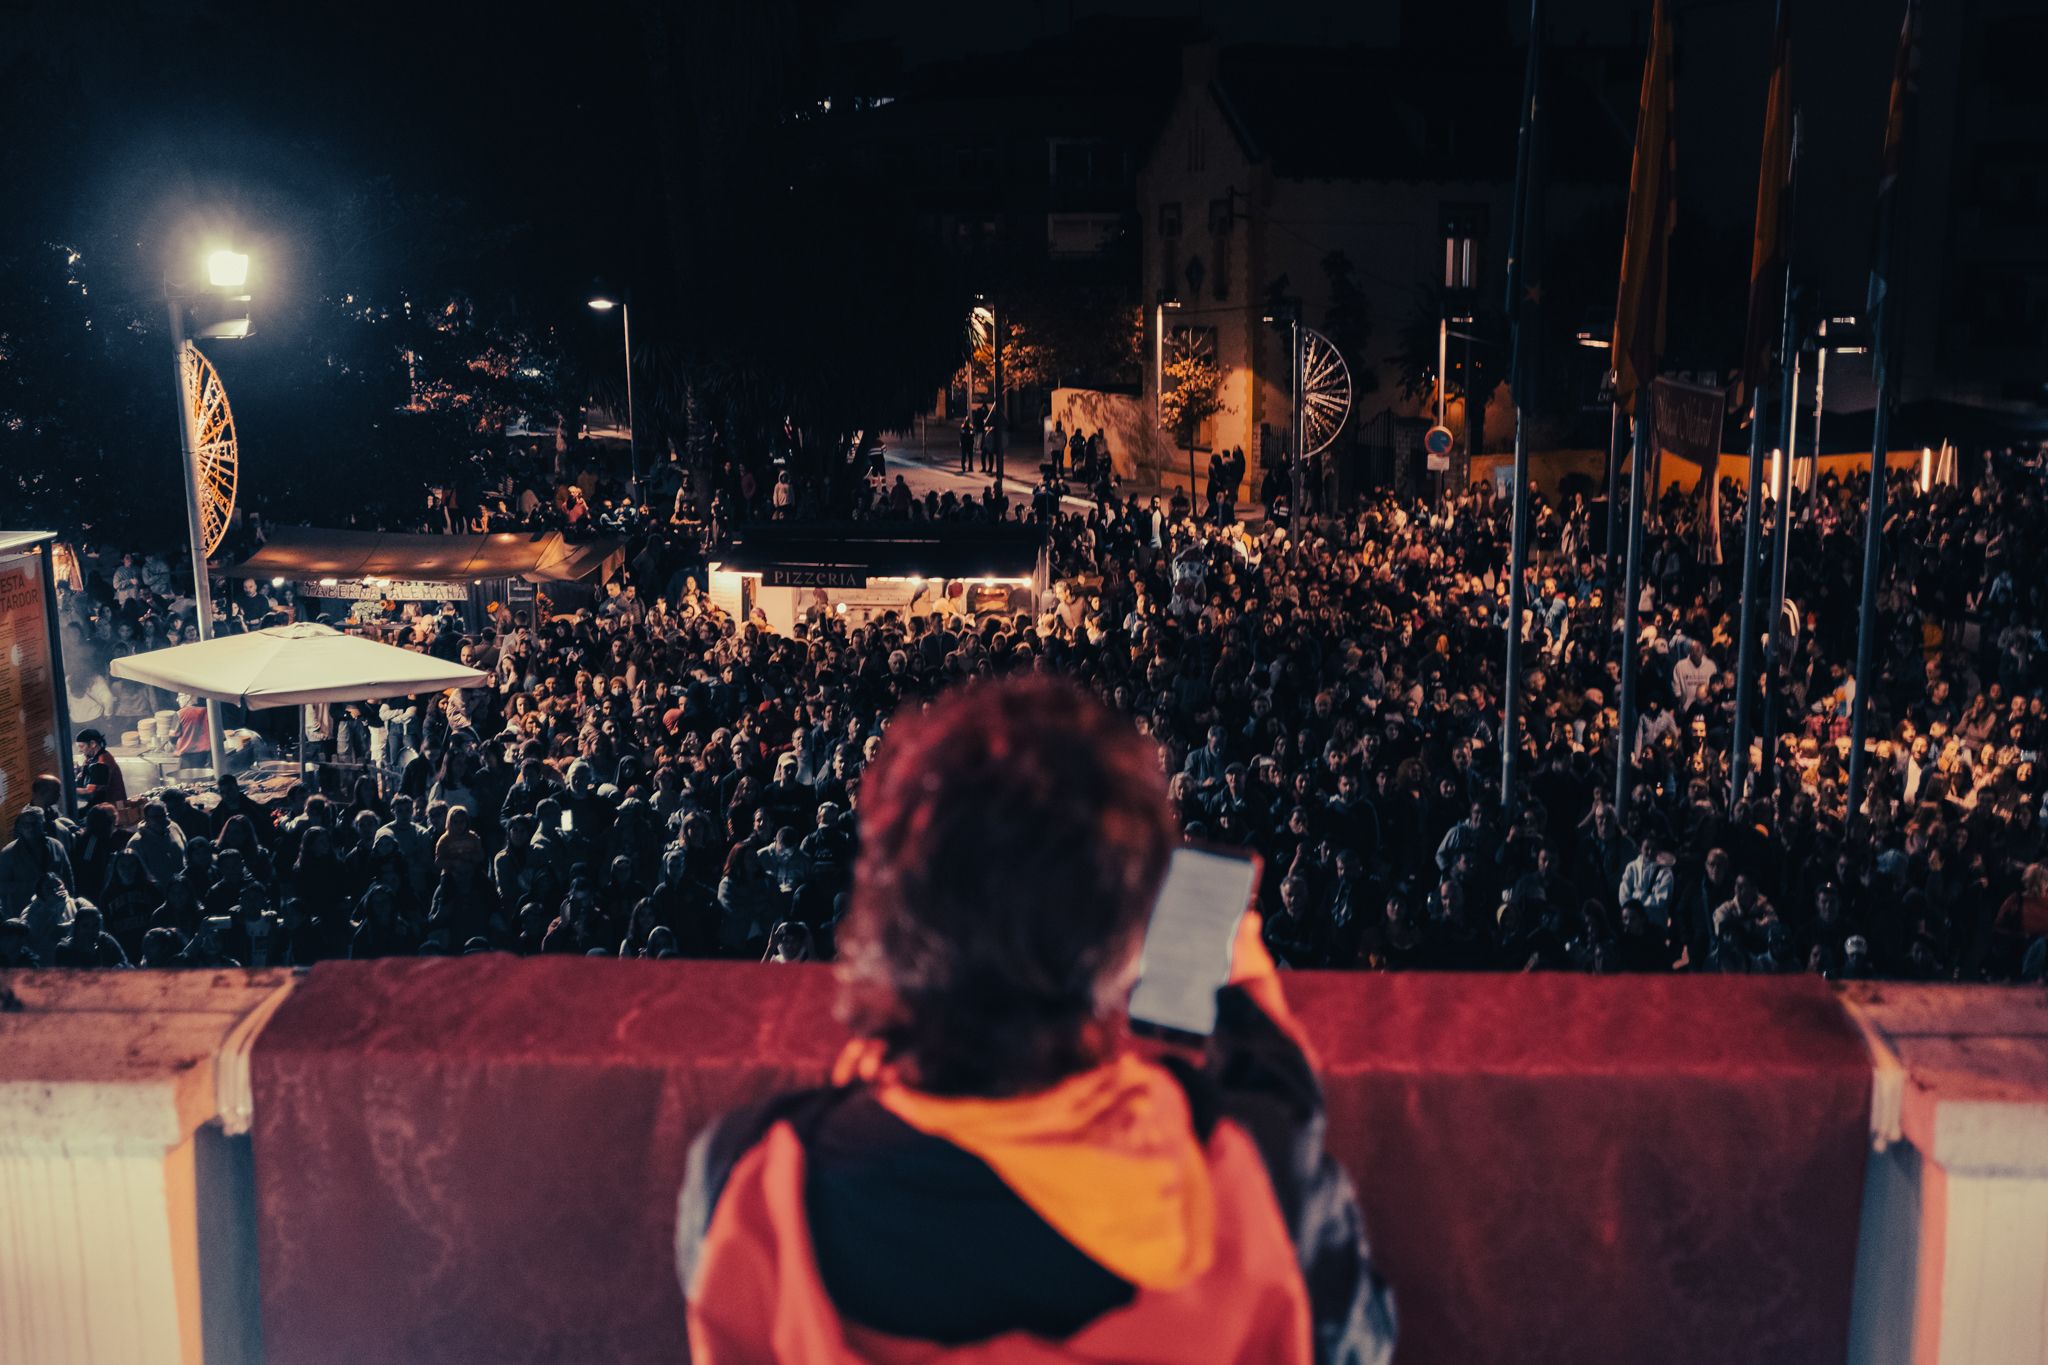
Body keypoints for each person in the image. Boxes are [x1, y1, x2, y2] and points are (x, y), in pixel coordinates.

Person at [677, 677, 1394, 1363]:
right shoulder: (1250, 1179)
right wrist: (1257, 1039)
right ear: (1123, 954)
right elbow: (1356, 1340)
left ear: (893, 923)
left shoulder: (747, 1182)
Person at [75, 729, 127, 808]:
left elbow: (90, 793)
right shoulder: (91, 759)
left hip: (112, 810)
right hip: (104, 807)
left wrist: (68, 790)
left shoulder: (102, 763)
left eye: (82, 746)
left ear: (93, 744)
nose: (80, 750)